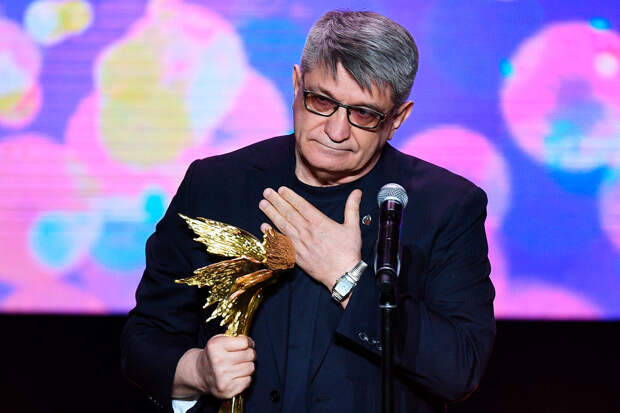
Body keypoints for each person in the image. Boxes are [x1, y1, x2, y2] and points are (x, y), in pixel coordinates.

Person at [121, 10, 495, 413]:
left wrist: (347, 277)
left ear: (397, 119)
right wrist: (197, 371)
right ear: (297, 84)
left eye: (364, 114)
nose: (336, 131)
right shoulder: (214, 184)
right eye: (321, 101)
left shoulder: (446, 207)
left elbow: (460, 368)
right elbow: (145, 338)